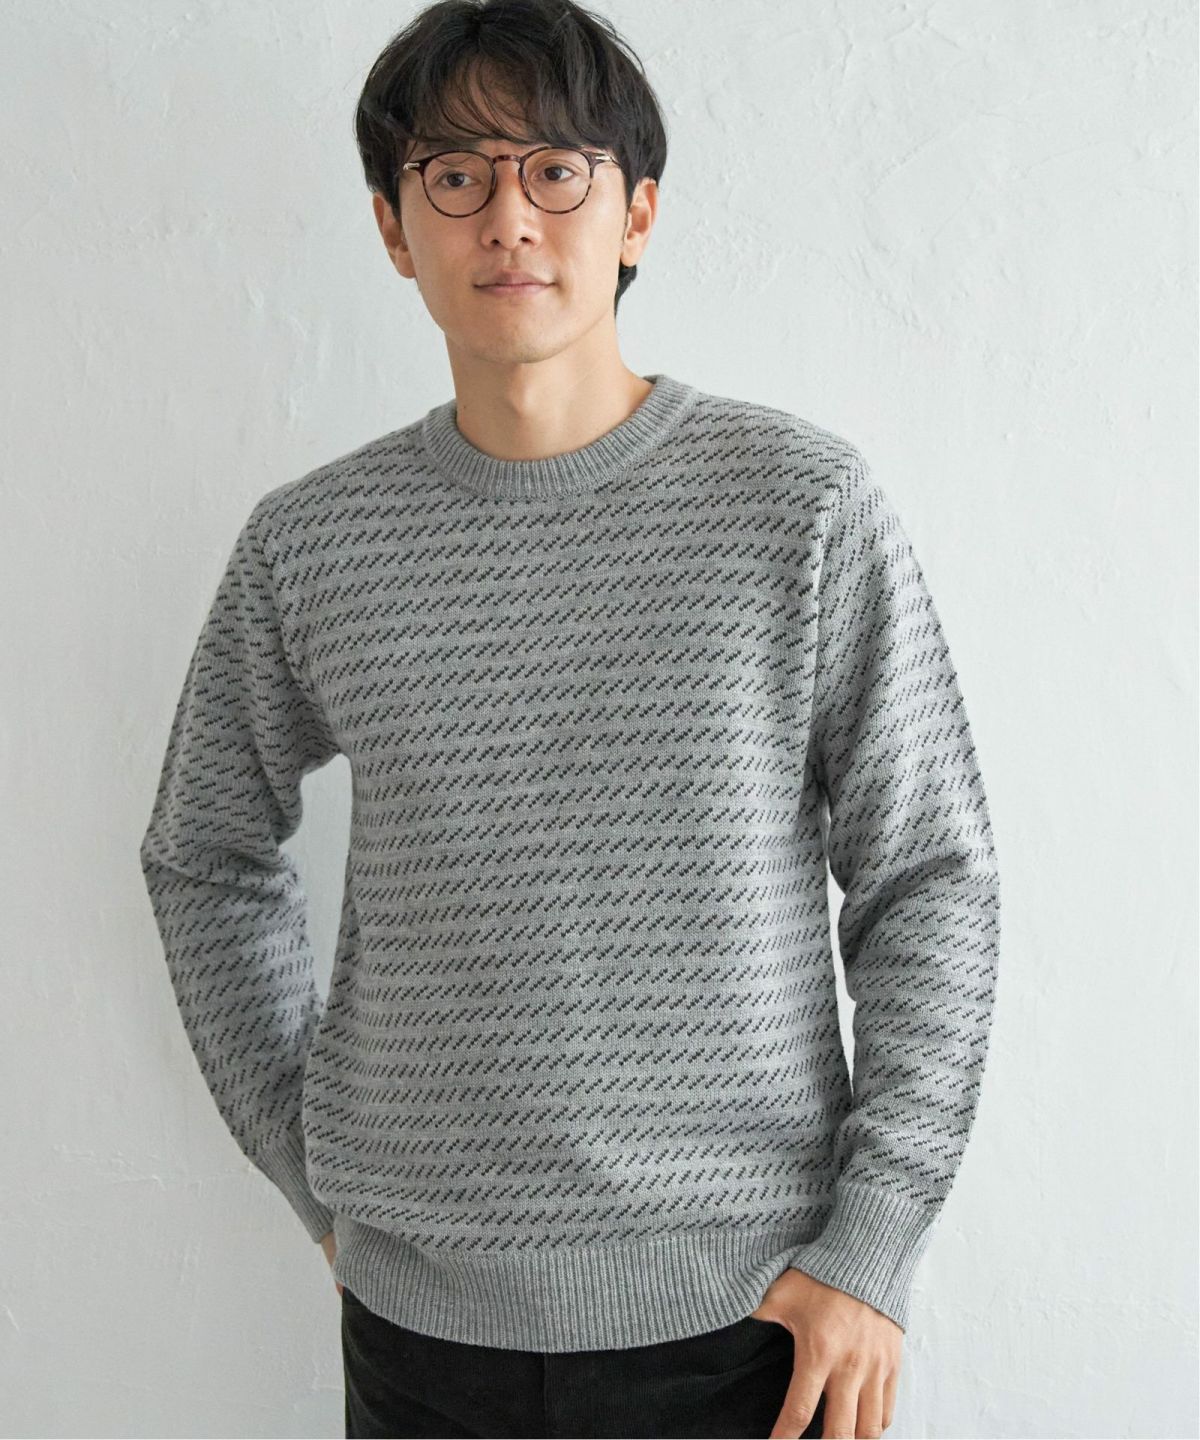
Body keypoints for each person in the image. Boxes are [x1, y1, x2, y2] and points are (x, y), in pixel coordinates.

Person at [138, 2, 1001, 1436]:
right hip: (419, 1331)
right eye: (456, 176)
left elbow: (930, 876)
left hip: (749, 1316)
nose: (509, 220)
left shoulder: (799, 506)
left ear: (636, 211)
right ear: (393, 228)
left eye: (556, 170)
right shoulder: (314, 545)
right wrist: (311, 1168)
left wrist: (875, 1243)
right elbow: (203, 852)